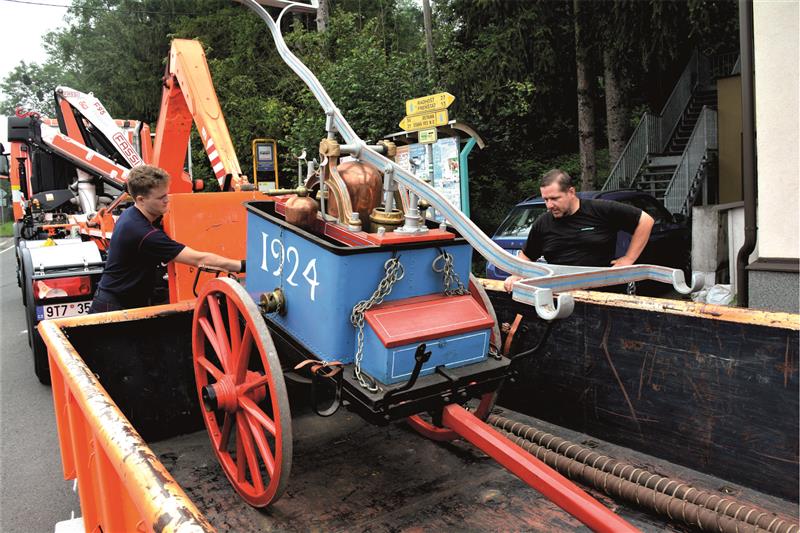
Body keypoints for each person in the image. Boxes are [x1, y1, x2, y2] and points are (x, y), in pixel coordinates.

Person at [89, 164, 244, 312]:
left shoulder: (131, 214)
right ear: (141, 199)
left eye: (167, 194)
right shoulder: (143, 233)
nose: (167, 200)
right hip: (116, 307)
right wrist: (242, 266)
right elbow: (199, 259)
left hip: (118, 299)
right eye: (161, 197)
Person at [504, 168, 654, 292]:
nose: (549, 205)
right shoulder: (543, 224)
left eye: (555, 198)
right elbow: (526, 256)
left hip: (605, 295)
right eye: (545, 199)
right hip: (562, 297)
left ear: (571, 192)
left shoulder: (599, 210)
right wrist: (516, 275)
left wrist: (628, 259)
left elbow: (646, 221)